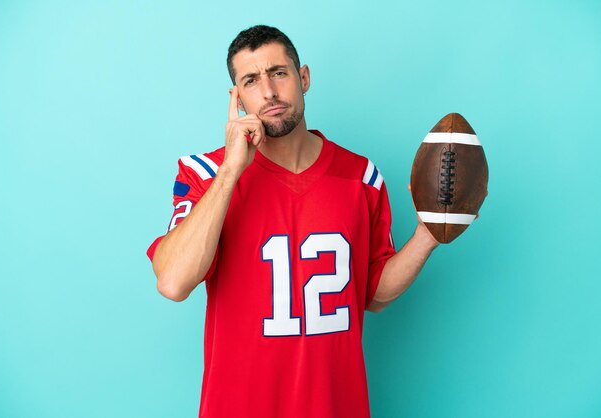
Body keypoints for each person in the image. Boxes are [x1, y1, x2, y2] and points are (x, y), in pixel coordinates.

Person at [147, 25, 439, 418]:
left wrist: (429, 234)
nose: (268, 92)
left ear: (303, 78)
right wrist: (232, 171)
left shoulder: (360, 177)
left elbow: (372, 295)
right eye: (251, 80)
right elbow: (173, 282)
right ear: (237, 96)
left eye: (279, 73)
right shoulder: (205, 172)